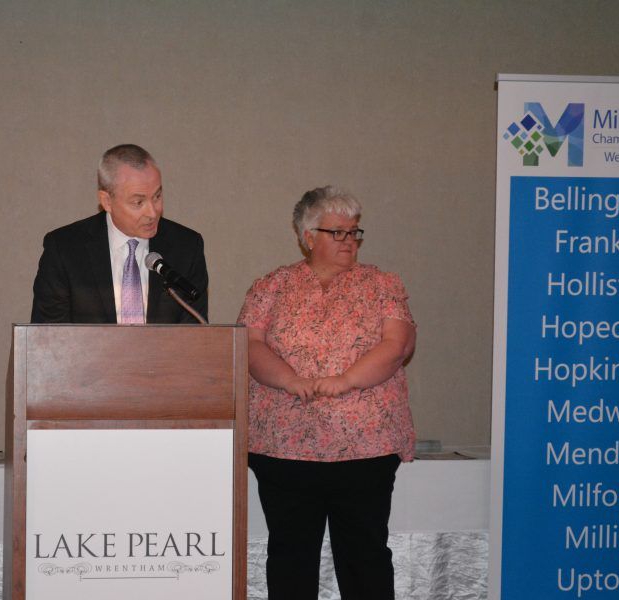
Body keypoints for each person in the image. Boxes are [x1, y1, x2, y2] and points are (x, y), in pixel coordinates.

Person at [238, 186, 416, 600]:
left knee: (365, 559)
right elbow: (249, 346)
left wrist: (346, 380)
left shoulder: (383, 284)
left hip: (365, 451)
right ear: (307, 236)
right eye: (337, 232)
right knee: (290, 559)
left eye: (354, 232)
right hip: (285, 453)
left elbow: (398, 346)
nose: (349, 241)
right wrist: (289, 379)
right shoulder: (271, 286)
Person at [30, 144, 208, 324]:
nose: (153, 212)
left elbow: (195, 337)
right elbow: (47, 338)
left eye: (157, 196)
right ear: (107, 201)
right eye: (138, 202)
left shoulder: (187, 248)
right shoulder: (64, 250)